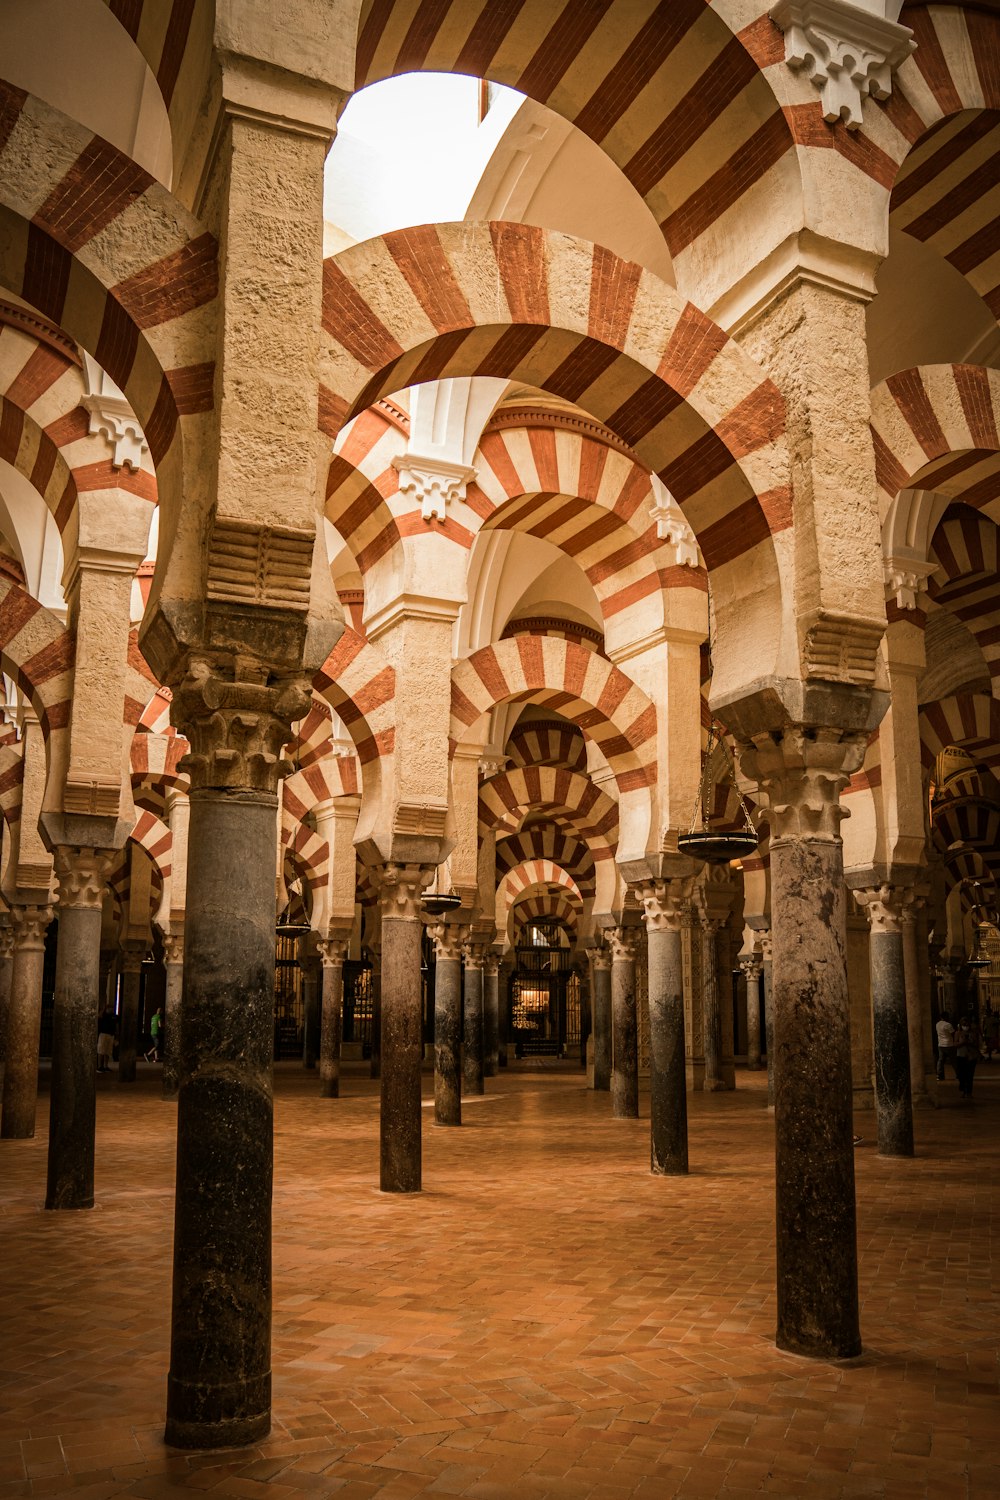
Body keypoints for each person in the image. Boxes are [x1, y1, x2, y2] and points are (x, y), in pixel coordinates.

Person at [953, 1010, 981, 1101]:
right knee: (961, 1074)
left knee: (970, 1075)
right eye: (964, 1024)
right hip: (961, 1055)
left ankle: (969, 1092)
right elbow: (955, 1044)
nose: (965, 1026)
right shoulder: (958, 1033)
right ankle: (963, 1089)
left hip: (971, 1056)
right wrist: (962, 1042)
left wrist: (970, 1042)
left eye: (967, 1024)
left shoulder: (973, 1033)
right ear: (961, 1025)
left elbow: (977, 1044)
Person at [935, 1010, 955, 1081]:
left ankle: (940, 1075)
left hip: (940, 1045)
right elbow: (953, 1034)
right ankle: (959, 1074)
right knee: (954, 1061)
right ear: (946, 1017)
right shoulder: (948, 1025)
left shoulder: (937, 1024)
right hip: (949, 1044)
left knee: (940, 1061)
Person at [96, 1005, 116, 1072]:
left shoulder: (113, 1016)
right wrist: (102, 1010)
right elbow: (99, 1017)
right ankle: (99, 1066)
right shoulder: (103, 1015)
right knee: (101, 1051)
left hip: (111, 1035)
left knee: (108, 1051)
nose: (111, 1010)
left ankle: (105, 1066)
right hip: (103, 1034)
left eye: (112, 1008)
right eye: (109, 1008)